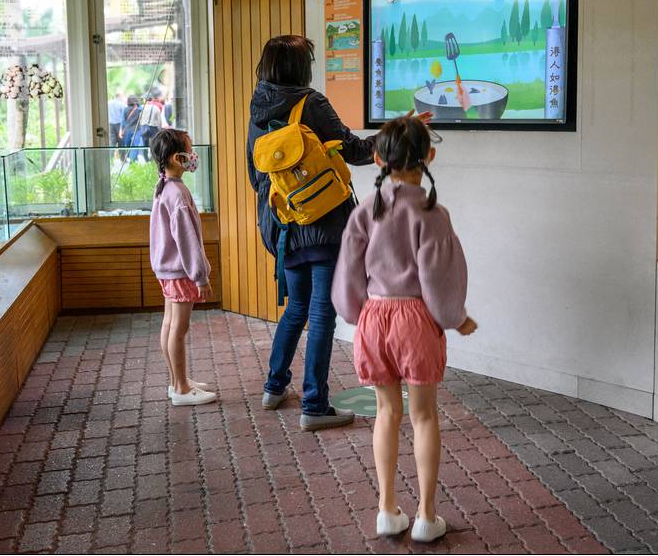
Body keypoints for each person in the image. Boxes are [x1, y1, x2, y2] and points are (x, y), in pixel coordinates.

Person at [332, 116, 477, 543]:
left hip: (374, 319)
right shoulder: (432, 213)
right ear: (429, 156)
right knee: (424, 415)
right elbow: (439, 278)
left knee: (386, 413)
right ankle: (427, 517)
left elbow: (348, 276)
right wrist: (454, 316)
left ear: (377, 158)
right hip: (416, 319)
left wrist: (357, 313)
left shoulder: (364, 211)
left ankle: (386, 510)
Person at [246, 35, 380, 431]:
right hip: (322, 227)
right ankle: (315, 406)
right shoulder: (311, 103)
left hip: (281, 227)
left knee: (297, 308)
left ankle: (274, 387)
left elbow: (255, 177)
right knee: (322, 315)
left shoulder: (257, 109)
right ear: (299, 68)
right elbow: (354, 151)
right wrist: (393, 136)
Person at [148, 128, 217, 406]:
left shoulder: (164, 186)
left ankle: (177, 380)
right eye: (189, 151)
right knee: (179, 328)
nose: (193, 156)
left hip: (167, 270)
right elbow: (187, 241)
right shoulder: (177, 193)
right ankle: (182, 388)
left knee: (169, 324)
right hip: (180, 272)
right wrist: (200, 276)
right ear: (177, 158)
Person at [121, 95, 143, 161]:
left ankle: (132, 158)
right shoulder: (139, 109)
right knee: (135, 145)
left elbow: (123, 121)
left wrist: (122, 130)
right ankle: (133, 159)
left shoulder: (125, 109)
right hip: (137, 129)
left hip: (127, 130)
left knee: (128, 144)